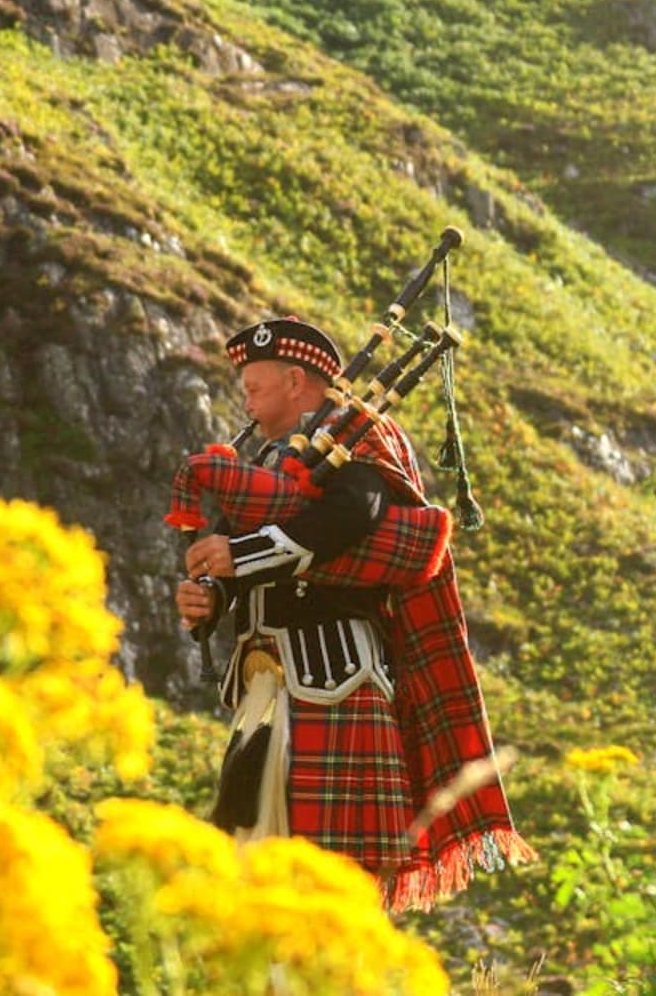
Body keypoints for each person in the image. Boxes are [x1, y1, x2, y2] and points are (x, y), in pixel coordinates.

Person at [176, 316, 532, 909]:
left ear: (296, 381)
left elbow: (355, 516)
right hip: (265, 692)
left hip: (337, 683)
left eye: (255, 386)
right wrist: (212, 599)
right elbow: (238, 565)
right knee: (255, 874)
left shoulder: (362, 437)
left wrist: (241, 556)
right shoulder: (263, 461)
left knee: (331, 881)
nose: (245, 396)